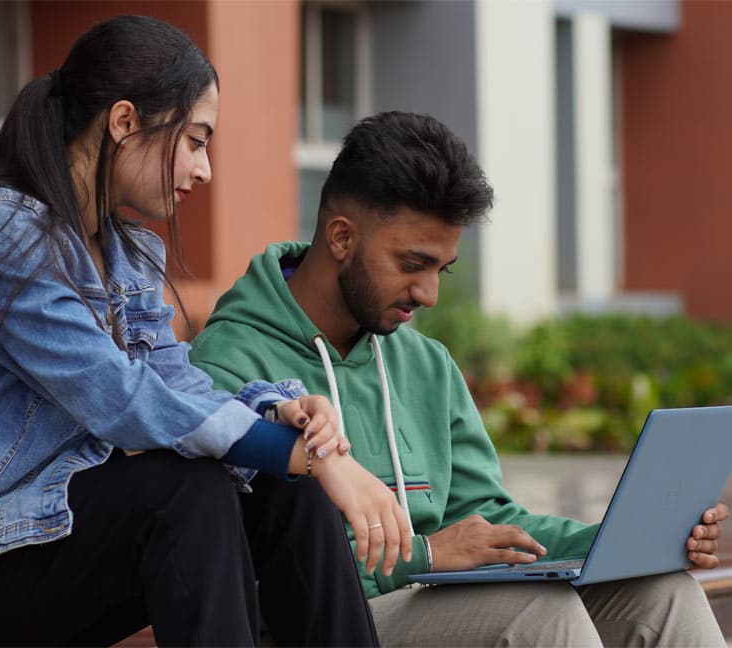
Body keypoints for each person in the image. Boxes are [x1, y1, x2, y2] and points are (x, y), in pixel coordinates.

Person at [0, 17, 412, 647]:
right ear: (124, 123)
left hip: (40, 541)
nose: (204, 170)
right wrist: (308, 456)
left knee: (289, 493)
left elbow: (174, 381)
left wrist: (275, 414)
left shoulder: (127, 255)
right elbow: (121, 396)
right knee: (185, 493)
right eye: (196, 140)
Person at [190, 110, 729, 646]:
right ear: (340, 237)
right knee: (533, 616)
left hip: (428, 604)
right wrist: (424, 557)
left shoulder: (425, 364)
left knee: (661, 593)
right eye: (412, 264)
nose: (429, 294)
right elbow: (238, 574)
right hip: (313, 626)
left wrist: (618, 544)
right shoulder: (229, 362)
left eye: (440, 270)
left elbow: (488, 520)